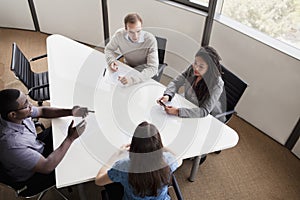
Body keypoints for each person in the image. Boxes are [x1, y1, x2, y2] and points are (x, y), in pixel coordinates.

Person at [0, 89, 88, 196]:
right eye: (26, 105)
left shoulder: (17, 115)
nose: (31, 106)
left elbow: (43, 111)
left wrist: (70, 112)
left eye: (27, 100)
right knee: (77, 156)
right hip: (35, 175)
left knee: (64, 130)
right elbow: (47, 166)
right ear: (13, 114)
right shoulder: (12, 145)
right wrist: (70, 138)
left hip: (36, 145)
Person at [95, 121, 179, 200]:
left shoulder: (123, 167)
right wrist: (158, 147)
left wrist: (115, 155)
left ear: (134, 145)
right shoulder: (168, 161)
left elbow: (98, 180)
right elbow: (179, 158)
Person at [157, 46, 226, 123]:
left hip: (203, 115)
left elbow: (204, 111)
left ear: (209, 68)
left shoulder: (217, 84)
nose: (196, 68)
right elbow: (176, 82)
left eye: (201, 67)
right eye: (195, 63)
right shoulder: (193, 68)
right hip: (187, 103)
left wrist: (178, 111)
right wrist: (168, 95)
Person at [104, 13, 159, 86]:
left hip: (144, 73)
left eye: (138, 31)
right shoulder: (119, 35)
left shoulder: (150, 40)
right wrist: (111, 61)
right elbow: (109, 49)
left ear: (141, 28)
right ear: (126, 29)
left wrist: (132, 79)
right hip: (128, 67)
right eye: (131, 32)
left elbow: (153, 68)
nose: (135, 36)